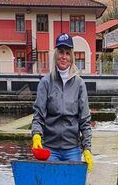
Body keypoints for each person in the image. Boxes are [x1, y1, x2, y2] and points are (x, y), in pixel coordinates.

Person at [31, 33, 93, 170]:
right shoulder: (45, 83)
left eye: (67, 53)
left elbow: (85, 120)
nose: (63, 57)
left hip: (72, 150)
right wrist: (36, 135)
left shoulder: (80, 85)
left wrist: (87, 148)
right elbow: (38, 116)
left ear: (71, 57)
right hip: (50, 149)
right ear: (56, 55)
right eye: (60, 52)